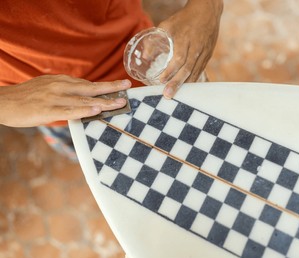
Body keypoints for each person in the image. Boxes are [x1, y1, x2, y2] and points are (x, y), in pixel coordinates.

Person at [0, 0, 223, 159]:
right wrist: (5, 103)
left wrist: (208, 5)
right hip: (60, 108)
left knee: (208, 147)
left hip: (144, 48)